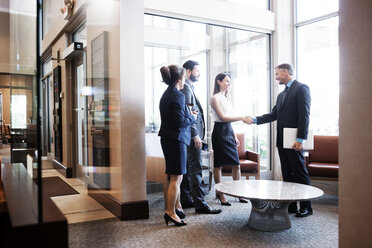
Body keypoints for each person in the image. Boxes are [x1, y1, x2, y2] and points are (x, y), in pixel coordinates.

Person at [246, 63, 312, 218]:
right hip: (282, 140)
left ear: (286, 72)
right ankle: (291, 206)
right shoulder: (281, 95)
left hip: (295, 140)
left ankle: (306, 207)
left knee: (300, 173)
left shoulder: (302, 88)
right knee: (287, 173)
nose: (276, 77)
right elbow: (273, 115)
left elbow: (305, 115)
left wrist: (300, 139)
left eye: (277, 74)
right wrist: (254, 120)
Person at [179, 60, 222, 214]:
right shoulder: (186, 88)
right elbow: (188, 114)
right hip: (191, 136)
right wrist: (196, 136)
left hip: (190, 135)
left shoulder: (188, 86)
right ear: (188, 71)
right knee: (196, 168)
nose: (199, 73)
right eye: (197, 70)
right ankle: (201, 204)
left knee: (189, 168)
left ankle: (187, 199)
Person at [158, 65, 197, 226]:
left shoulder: (166, 94)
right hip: (176, 140)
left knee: (175, 177)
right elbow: (180, 122)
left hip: (168, 139)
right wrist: (193, 117)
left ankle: (176, 207)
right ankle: (170, 212)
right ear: (180, 79)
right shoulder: (178, 96)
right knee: (176, 177)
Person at [210, 73, 249, 205]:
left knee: (236, 164)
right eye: (226, 81)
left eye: (230, 82)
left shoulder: (227, 98)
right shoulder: (215, 98)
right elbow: (223, 118)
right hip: (219, 132)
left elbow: (229, 121)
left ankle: (237, 192)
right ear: (219, 82)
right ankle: (220, 193)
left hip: (228, 131)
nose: (228, 84)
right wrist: (242, 117)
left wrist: (235, 136)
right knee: (218, 165)